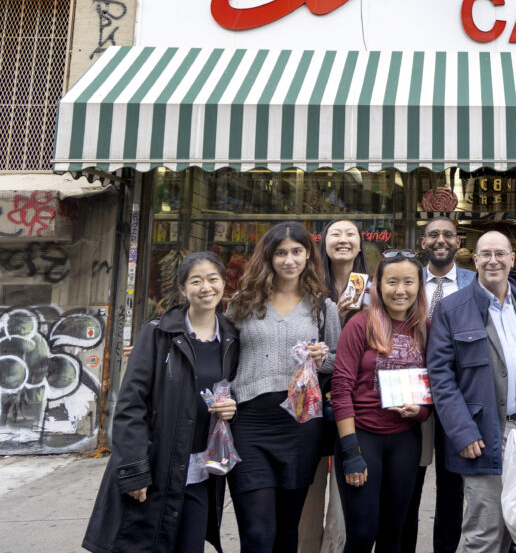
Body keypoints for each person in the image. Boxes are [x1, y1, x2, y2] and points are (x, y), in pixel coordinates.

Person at [83, 252, 239, 553]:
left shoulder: (231, 338)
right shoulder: (157, 333)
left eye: (213, 279)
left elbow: (228, 391)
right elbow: (130, 405)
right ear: (183, 289)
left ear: (223, 285)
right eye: (196, 281)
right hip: (156, 470)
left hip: (200, 472)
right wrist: (134, 470)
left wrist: (231, 406)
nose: (206, 287)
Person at [426, 230, 516, 553]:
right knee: (485, 533)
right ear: (475, 259)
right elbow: (440, 377)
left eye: (500, 254)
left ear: (513, 259)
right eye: (485, 254)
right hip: (482, 435)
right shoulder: (452, 309)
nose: (493, 260)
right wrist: (463, 432)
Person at [226, 222, 341, 553]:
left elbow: (337, 362)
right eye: (281, 253)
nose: (289, 260)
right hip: (249, 424)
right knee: (257, 532)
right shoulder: (242, 303)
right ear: (268, 256)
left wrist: (321, 359)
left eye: (296, 251)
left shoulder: (323, 307)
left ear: (308, 255)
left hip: (301, 425)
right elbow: (219, 354)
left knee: (286, 531)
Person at [332, 249, 432, 553]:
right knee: (362, 533)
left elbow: (434, 382)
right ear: (378, 286)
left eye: (408, 282)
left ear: (418, 286)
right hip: (362, 437)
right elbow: (341, 387)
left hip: (404, 438)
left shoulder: (425, 328)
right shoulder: (359, 325)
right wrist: (351, 452)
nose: (400, 290)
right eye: (391, 282)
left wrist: (421, 410)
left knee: (394, 534)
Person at [401, 218, 474, 553]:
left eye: (447, 234)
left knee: (451, 487)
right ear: (423, 241)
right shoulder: (407, 282)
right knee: (408, 484)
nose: (440, 240)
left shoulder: (475, 284)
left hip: (456, 395)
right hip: (411, 391)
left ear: (458, 242)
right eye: (434, 235)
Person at [299, 218, 369, 553]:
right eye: (335, 234)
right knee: (308, 493)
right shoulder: (306, 286)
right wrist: (334, 323)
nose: (343, 240)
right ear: (323, 242)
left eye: (350, 234)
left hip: (355, 404)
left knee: (347, 497)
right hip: (310, 402)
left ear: (360, 243)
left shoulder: (375, 289)